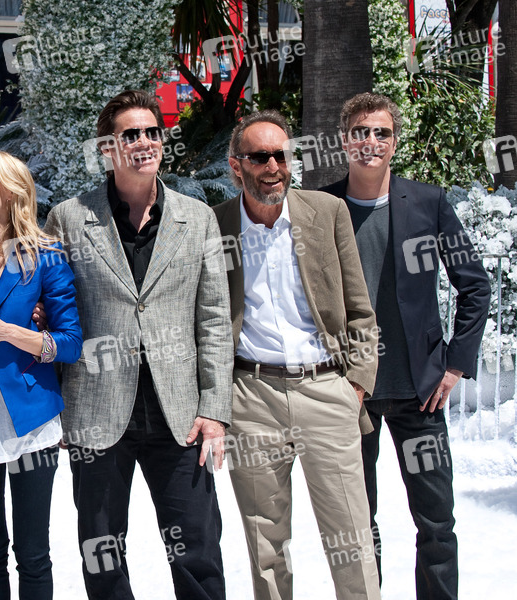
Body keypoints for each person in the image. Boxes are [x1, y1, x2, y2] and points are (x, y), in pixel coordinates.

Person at [45, 89, 232, 600]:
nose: (145, 142)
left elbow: (215, 320)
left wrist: (214, 410)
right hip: (97, 411)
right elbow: (55, 313)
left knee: (197, 549)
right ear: (107, 148)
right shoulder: (69, 218)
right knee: (102, 550)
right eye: (131, 134)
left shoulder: (198, 218)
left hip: (181, 415)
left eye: (153, 132)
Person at [320, 92, 491, 600]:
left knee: (436, 522)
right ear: (344, 140)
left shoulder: (428, 202)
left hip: (422, 394)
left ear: (395, 141)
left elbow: (475, 285)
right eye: (360, 131)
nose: (371, 142)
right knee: (357, 525)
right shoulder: (322, 207)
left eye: (382, 132)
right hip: (351, 396)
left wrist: (455, 365)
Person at [213, 109, 381, 600]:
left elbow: (359, 308)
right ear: (236, 165)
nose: (274, 167)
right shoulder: (216, 225)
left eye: (282, 156)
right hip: (251, 397)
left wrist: (354, 386)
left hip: (326, 389)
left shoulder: (326, 212)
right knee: (265, 543)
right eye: (260, 157)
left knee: (350, 536)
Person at [0, 149, 82, 599]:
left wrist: (13, 333)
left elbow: (70, 343)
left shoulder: (44, 258)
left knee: (32, 554)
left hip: (31, 425)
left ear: (10, 191)